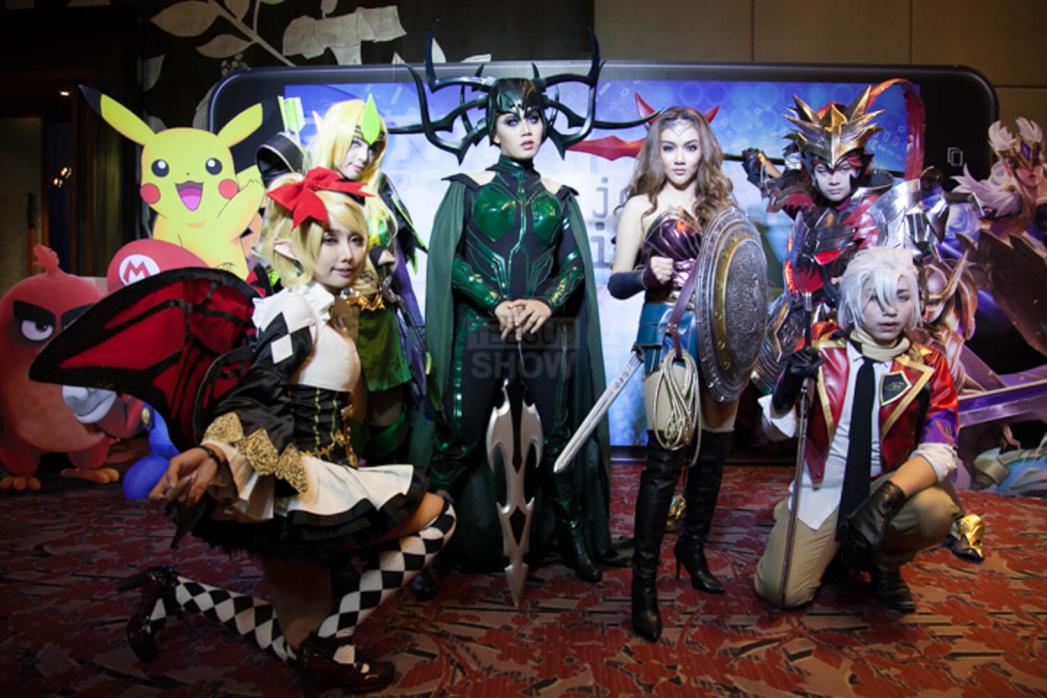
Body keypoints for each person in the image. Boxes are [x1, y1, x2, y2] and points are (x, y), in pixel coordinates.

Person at [117, 169, 456, 694]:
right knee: (306, 644)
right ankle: (316, 642)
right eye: (330, 239)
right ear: (296, 246)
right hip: (291, 489)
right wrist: (215, 452)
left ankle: (175, 592)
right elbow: (258, 390)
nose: (348, 254)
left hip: (327, 479)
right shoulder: (294, 309)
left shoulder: (334, 311)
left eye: (356, 239)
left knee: (308, 638)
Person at [754, 246, 960, 612]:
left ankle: (885, 564)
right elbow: (772, 433)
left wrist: (887, 497)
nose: (890, 311)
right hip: (822, 488)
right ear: (852, 300)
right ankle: (817, 536)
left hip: (886, 486)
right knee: (781, 592)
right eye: (876, 298)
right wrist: (784, 395)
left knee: (935, 510)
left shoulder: (930, 366)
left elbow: (939, 449)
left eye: (901, 297)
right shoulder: (821, 346)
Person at [608, 107, 739, 642]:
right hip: (667, 333)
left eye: (689, 146)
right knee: (665, 460)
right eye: (669, 147)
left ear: (703, 150)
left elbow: (742, 277)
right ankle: (643, 586)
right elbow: (616, 282)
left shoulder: (723, 207)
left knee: (714, 452)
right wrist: (646, 274)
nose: (679, 158)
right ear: (655, 152)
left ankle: (692, 546)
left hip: (721, 336)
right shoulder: (641, 207)